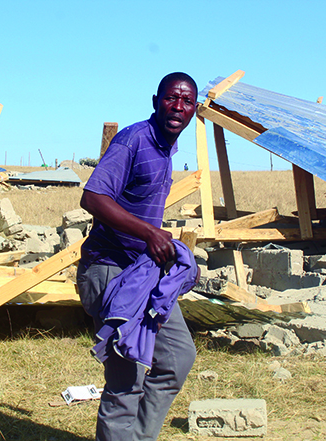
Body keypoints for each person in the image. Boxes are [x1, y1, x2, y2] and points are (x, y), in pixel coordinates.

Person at [77, 72, 198, 441]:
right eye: (170, 98)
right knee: (127, 378)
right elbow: (93, 198)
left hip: (141, 274)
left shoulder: (165, 149)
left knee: (176, 359)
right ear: (155, 101)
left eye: (187, 101)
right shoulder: (134, 140)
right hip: (109, 269)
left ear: (194, 109)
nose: (178, 107)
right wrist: (148, 233)